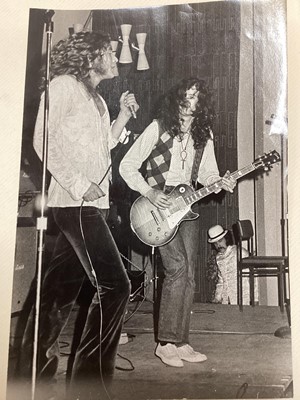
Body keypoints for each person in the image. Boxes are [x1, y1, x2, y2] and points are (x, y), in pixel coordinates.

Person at [17, 31, 139, 399]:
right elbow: (43, 139)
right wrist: (78, 183)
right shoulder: (63, 85)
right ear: (91, 56)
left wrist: (121, 117)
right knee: (116, 287)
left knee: (56, 294)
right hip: (75, 202)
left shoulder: (96, 97)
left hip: (90, 204)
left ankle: (29, 376)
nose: (116, 57)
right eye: (109, 52)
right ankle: (90, 386)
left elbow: (102, 147)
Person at [119, 77, 236, 368]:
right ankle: (166, 343)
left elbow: (208, 174)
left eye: (195, 95)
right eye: (185, 94)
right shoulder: (158, 127)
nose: (188, 99)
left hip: (186, 207)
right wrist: (149, 191)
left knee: (189, 275)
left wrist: (221, 182)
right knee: (177, 268)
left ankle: (181, 342)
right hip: (156, 207)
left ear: (201, 102)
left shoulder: (203, 134)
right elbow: (126, 165)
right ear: (177, 98)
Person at [207, 224, 253, 305]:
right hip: (227, 300)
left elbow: (251, 277)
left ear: (226, 238)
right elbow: (221, 280)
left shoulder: (240, 252)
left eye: (220, 241)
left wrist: (255, 298)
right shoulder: (218, 258)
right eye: (215, 243)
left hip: (243, 298)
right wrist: (217, 298)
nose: (218, 245)